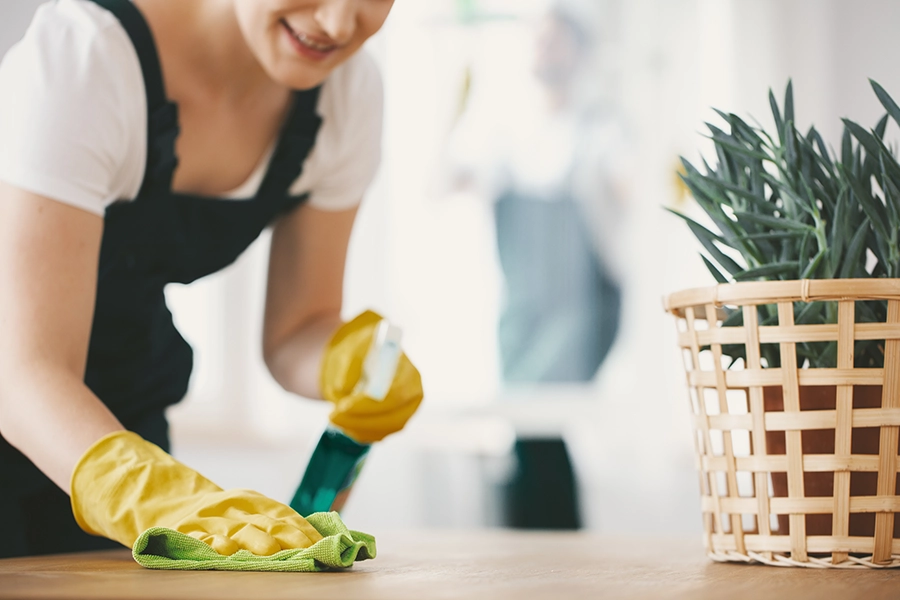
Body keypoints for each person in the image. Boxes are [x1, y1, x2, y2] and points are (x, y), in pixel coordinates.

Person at [0, 0, 423, 559]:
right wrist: (151, 497)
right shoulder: (86, 58)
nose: (340, 24)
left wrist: (348, 361)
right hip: (54, 423)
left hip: (118, 425)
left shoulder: (343, 95)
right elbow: (21, 372)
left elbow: (296, 328)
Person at [444, 0, 628, 529]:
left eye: (555, 38)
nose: (543, 48)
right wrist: (451, 105)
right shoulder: (507, 134)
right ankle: (542, 548)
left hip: (581, 307)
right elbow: (441, 185)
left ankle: (543, 549)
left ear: (579, 52)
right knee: (530, 430)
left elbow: (632, 192)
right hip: (521, 312)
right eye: (537, 38)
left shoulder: (600, 129)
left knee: (546, 424)